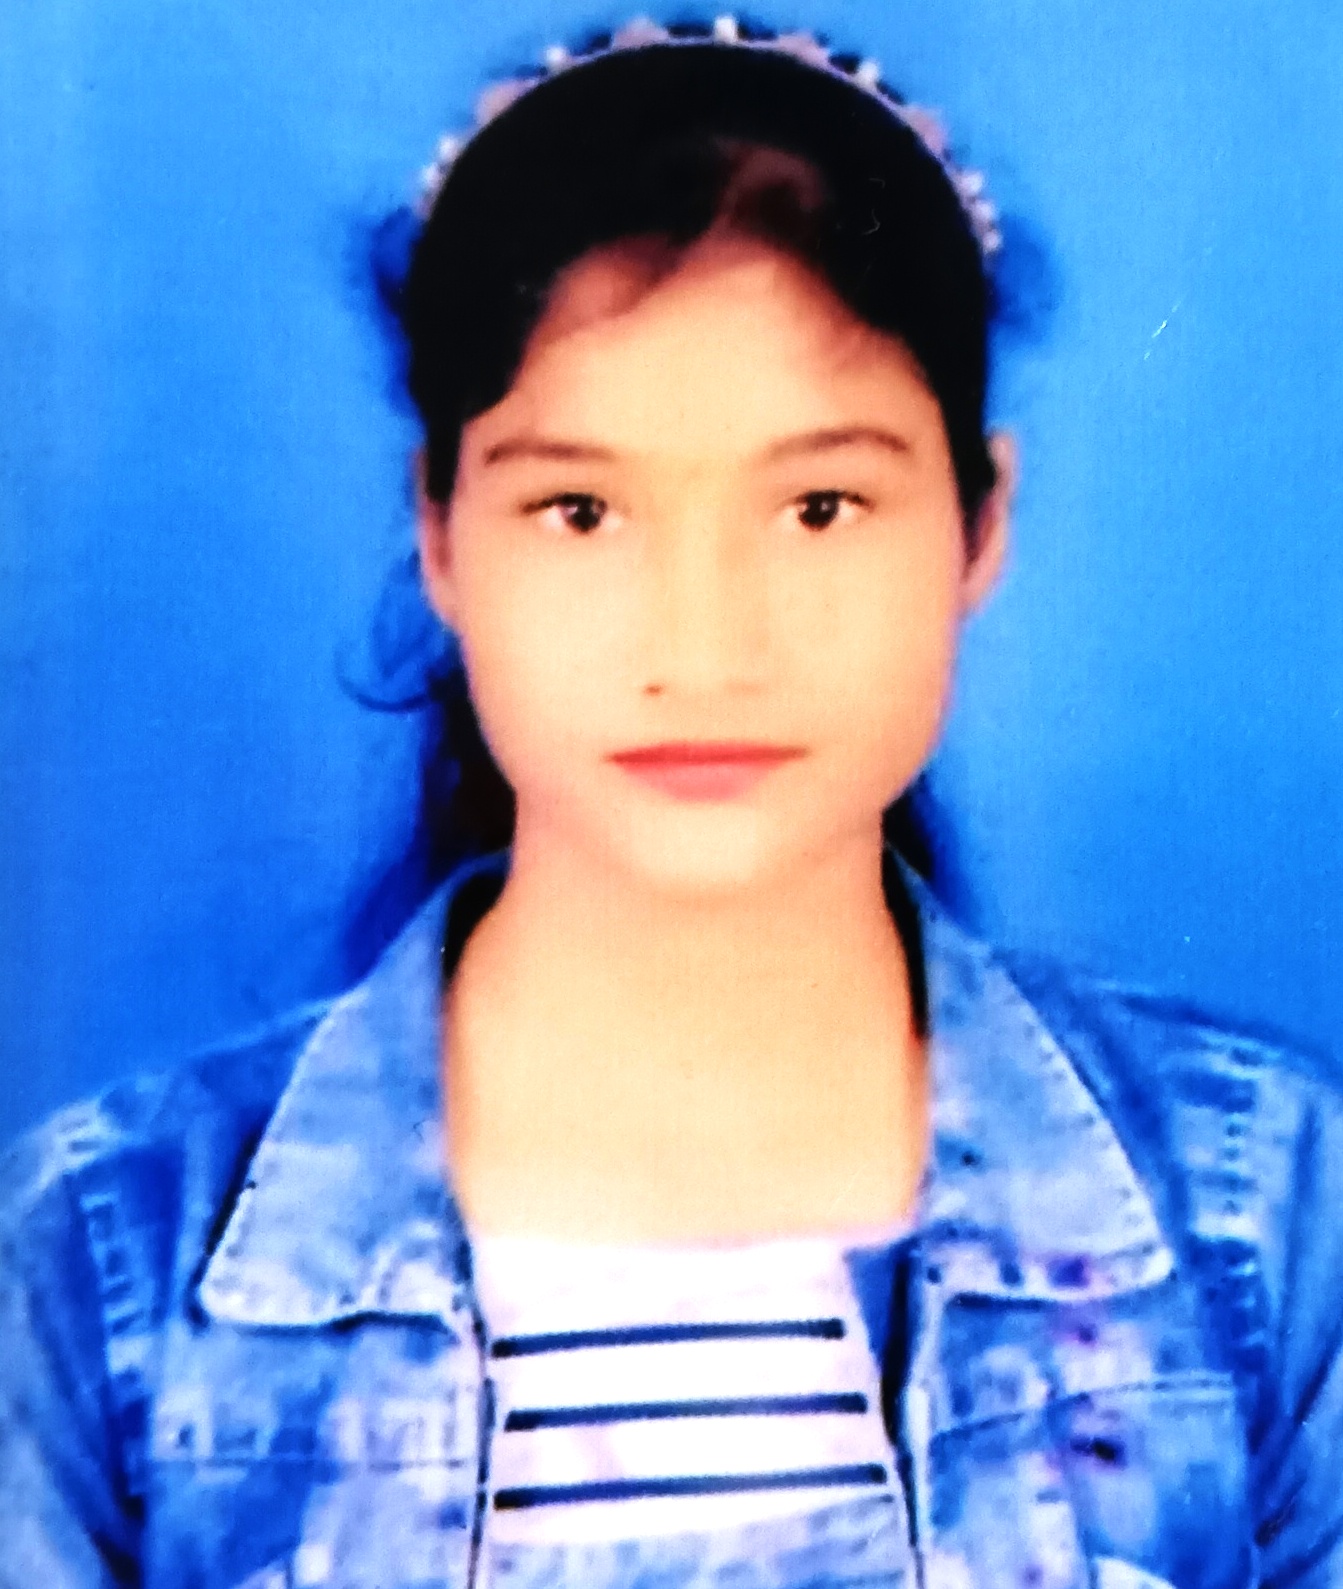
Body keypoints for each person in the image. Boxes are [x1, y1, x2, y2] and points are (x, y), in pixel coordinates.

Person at [2, 17, 1341, 1589]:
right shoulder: (100, 1258)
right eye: (580, 509)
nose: (703, 648)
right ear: (440, 534)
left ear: (981, 520)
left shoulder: (1269, 1214)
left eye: (821, 505)